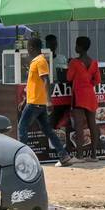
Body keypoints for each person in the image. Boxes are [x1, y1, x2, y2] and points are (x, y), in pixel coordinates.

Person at [18, 37, 74, 166]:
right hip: (36, 102)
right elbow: (33, 84)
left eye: (28, 47)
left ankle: (22, 159)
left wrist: (49, 101)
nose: (27, 50)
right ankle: (64, 156)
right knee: (47, 130)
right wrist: (25, 100)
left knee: (22, 127)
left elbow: (46, 80)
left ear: (32, 48)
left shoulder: (40, 61)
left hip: (36, 103)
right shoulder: (36, 61)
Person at [66, 36, 101, 161]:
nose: (75, 47)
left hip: (79, 97)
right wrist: (88, 83)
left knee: (79, 127)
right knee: (93, 125)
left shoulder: (74, 63)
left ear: (80, 47)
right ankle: (94, 155)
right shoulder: (94, 63)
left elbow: (69, 78)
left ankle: (80, 155)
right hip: (90, 96)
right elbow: (97, 80)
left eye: (76, 45)